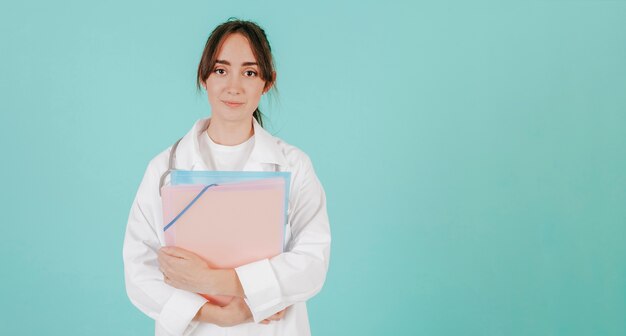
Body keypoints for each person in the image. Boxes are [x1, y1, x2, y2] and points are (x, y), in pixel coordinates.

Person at [123, 19, 331, 336]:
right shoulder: (164, 169)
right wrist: (216, 314)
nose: (234, 86)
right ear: (204, 77)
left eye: (249, 72)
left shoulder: (293, 166)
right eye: (221, 70)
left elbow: (312, 265)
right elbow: (139, 272)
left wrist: (215, 281)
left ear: (267, 82)